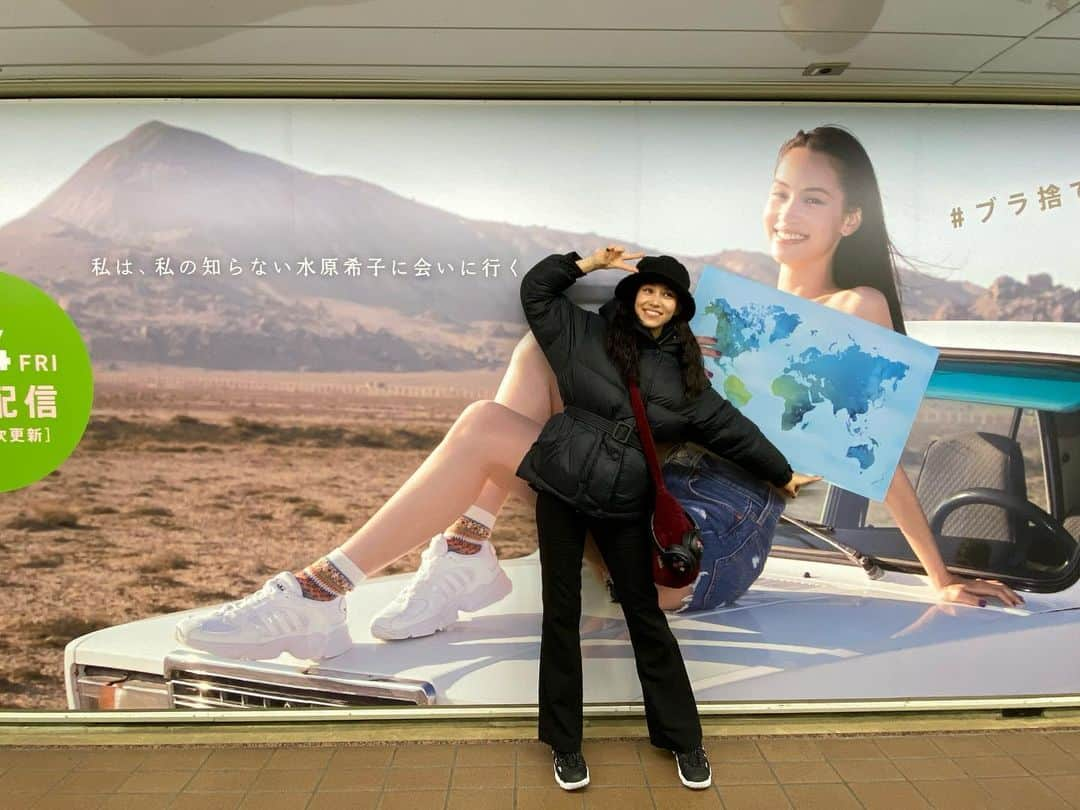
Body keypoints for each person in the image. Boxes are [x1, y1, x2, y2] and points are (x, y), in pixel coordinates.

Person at [517, 246, 812, 791]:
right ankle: (565, 744)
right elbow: (537, 291)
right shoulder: (583, 334)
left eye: (668, 295)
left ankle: (683, 739)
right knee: (561, 613)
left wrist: (781, 472)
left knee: (646, 619)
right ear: (631, 296)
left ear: (679, 309)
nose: (656, 300)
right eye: (648, 290)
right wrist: (586, 264)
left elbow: (733, 429)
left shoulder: (687, 380)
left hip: (625, 500)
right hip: (560, 486)